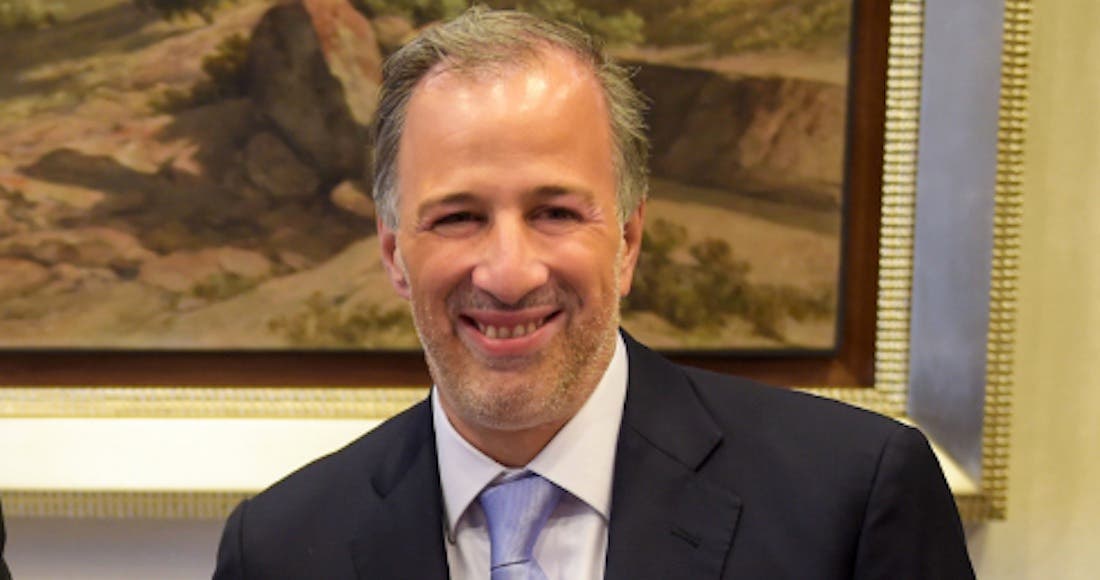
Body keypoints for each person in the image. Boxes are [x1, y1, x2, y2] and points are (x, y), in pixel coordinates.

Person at [214, 7, 974, 579]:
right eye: (458, 217)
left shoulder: (852, 502)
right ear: (394, 254)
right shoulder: (277, 550)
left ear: (628, 240)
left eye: (554, 213)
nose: (508, 274)